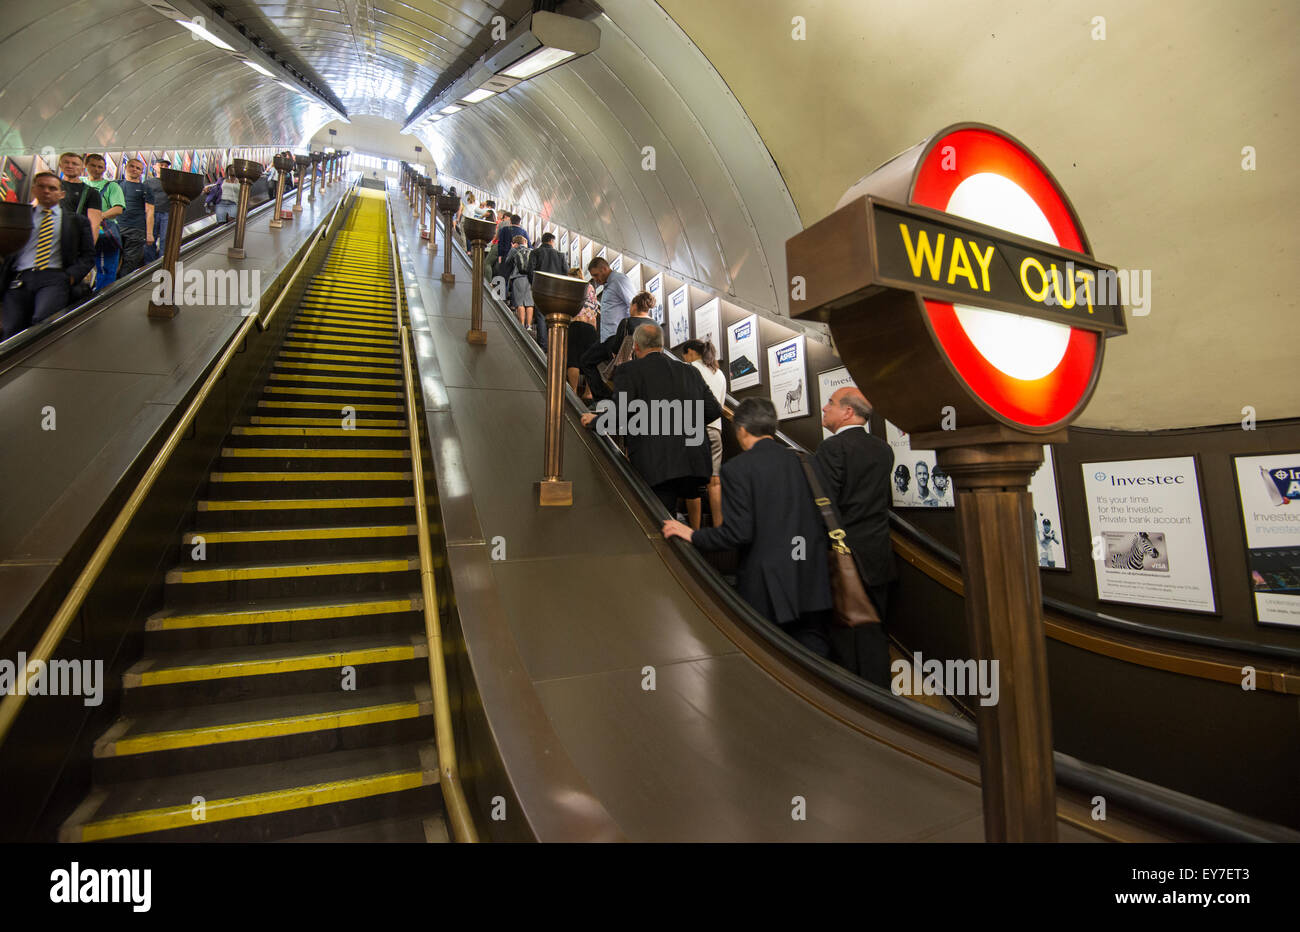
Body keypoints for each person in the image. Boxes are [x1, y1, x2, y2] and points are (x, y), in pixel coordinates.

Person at [663, 397, 833, 657]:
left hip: (770, 590)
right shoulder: (807, 462)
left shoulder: (738, 469)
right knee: (816, 663)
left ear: (741, 429)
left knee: (769, 660)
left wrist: (694, 534)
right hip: (812, 579)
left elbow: (738, 532)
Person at [582, 322, 720, 514]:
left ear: (636, 346)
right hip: (693, 462)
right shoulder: (690, 371)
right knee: (668, 517)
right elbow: (713, 410)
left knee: (657, 519)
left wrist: (595, 420)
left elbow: (620, 416)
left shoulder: (629, 371)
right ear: (662, 345)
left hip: (656, 462)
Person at [815, 387, 896, 685]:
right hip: (878, 557)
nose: (824, 408)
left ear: (848, 411)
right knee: (875, 633)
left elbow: (824, 507)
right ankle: (884, 701)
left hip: (844, 559)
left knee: (845, 640)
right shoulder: (883, 449)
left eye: (831, 403)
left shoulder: (831, 449)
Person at [1, 172, 95, 339]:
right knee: (11, 328)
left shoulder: (76, 222)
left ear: (61, 194)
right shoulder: (21, 217)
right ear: (33, 190)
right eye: (41, 187)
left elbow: (88, 255)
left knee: (43, 324)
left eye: (52, 188)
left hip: (55, 277)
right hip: (20, 278)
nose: (46, 191)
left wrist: (70, 278)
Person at [579, 290, 656, 404]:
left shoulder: (627, 322)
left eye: (630, 306)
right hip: (648, 368)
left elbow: (616, 348)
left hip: (627, 366)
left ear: (634, 306)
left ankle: (603, 398)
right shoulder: (656, 326)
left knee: (586, 361)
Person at [680, 339, 725, 529]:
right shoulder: (719, 373)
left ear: (690, 352)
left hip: (696, 429)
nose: (684, 359)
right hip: (716, 430)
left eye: (684, 355)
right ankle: (719, 528)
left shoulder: (690, 369)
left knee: (692, 481)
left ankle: (695, 530)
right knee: (714, 482)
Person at [82, 154, 124, 291]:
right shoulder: (80, 183)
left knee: (106, 268)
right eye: (93, 165)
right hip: (82, 231)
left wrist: (99, 216)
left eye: (100, 167)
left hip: (104, 233)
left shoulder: (112, 186)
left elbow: (118, 208)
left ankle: (103, 297)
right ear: (86, 165)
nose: (96, 169)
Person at [114, 157, 158, 277]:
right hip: (116, 228)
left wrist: (149, 233)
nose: (134, 169)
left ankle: (119, 288)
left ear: (141, 172)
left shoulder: (145, 189)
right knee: (112, 261)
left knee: (130, 262)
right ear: (126, 167)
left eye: (138, 168)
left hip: (136, 229)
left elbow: (150, 211)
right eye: (132, 166)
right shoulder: (115, 185)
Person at [566, 271, 601, 399]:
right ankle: (589, 393)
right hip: (591, 328)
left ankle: (574, 391)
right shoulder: (591, 288)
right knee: (589, 362)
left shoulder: (572, 286)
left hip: (576, 325)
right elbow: (595, 311)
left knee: (573, 360)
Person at [587, 255, 635, 341]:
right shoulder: (607, 284)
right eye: (593, 276)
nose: (595, 279)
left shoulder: (619, 280)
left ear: (604, 269)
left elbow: (634, 305)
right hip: (608, 338)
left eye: (596, 275)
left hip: (617, 337)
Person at [502, 235, 535, 341]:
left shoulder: (514, 250)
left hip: (518, 278)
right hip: (530, 279)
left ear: (515, 243)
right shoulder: (532, 251)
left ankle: (521, 325)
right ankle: (529, 326)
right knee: (529, 303)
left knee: (520, 302)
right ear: (525, 242)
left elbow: (507, 263)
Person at [146, 158, 171, 258]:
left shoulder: (172, 182)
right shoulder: (148, 182)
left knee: (165, 239)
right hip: (152, 213)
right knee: (150, 237)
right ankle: (149, 263)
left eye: (166, 166)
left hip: (166, 213)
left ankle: (162, 261)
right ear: (154, 167)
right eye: (161, 165)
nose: (164, 167)